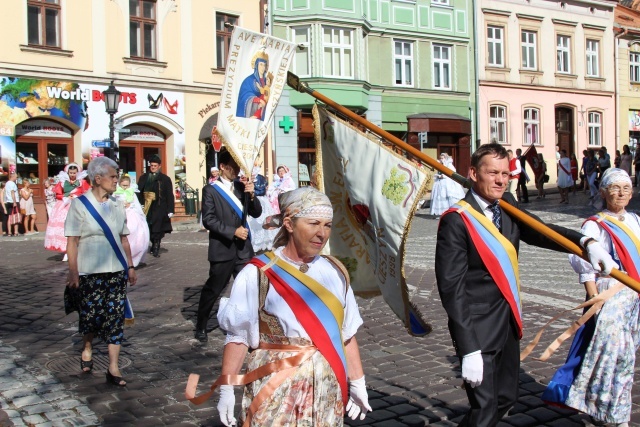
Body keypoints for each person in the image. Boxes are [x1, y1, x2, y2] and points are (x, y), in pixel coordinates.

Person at [434, 143, 615, 427]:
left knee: (505, 398)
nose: (500, 180)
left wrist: (585, 243)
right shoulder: (457, 221)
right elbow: (451, 289)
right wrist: (468, 348)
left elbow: (542, 231)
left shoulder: (506, 205)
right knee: (483, 408)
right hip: (477, 328)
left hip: (507, 323)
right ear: (473, 173)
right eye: (492, 172)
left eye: (505, 174)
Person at [193, 187, 371, 426]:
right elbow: (239, 336)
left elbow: (347, 334)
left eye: (327, 225)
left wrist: (357, 381)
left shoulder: (335, 271)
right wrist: (227, 387)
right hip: (275, 385)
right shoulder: (258, 273)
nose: (322, 233)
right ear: (289, 224)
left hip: (326, 385)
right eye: (313, 223)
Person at [542, 168, 639, 427]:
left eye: (626, 188)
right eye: (614, 188)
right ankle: (617, 416)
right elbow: (585, 266)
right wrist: (595, 300)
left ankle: (599, 405)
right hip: (612, 298)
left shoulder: (635, 221)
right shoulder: (594, 225)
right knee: (618, 357)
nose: (621, 193)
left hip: (634, 301)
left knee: (623, 357)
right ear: (604, 192)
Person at [65, 157, 137, 386]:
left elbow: (124, 238)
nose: (117, 181)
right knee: (91, 317)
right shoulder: (79, 204)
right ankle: (87, 346)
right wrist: (73, 273)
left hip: (115, 270)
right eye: (113, 177)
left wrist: (131, 265)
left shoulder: (117, 205)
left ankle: (113, 368)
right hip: (90, 271)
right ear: (98, 179)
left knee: (115, 317)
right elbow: (72, 241)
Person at [194, 149, 262, 342]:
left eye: (238, 166)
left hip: (243, 250)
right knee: (214, 289)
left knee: (249, 289)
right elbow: (209, 220)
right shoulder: (211, 190)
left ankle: (249, 327)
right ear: (223, 167)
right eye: (233, 166)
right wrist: (232, 231)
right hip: (222, 249)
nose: (237, 170)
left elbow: (256, 212)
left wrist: (251, 196)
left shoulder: (242, 188)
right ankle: (201, 324)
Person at [44, 163, 91, 256]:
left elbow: (87, 192)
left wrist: (77, 196)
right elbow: (57, 194)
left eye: (74, 173)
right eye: (71, 173)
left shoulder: (82, 182)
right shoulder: (62, 182)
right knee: (64, 227)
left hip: (78, 204)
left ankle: (79, 249)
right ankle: (66, 250)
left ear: (77, 173)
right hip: (64, 205)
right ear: (67, 172)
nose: (72, 175)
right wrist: (65, 196)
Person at [136, 154, 174, 258]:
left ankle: (156, 244)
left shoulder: (165, 179)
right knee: (148, 226)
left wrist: (170, 209)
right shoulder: (143, 177)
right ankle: (152, 241)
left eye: (155, 165)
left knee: (157, 227)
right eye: (151, 165)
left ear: (159, 166)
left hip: (159, 206)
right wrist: (139, 203)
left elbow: (169, 194)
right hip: (147, 206)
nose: (153, 167)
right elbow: (139, 191)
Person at [114, 175, 150, 267]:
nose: (125, 187)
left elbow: (136, 204)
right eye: (123, 185)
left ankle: (134, 258)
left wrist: (134, 208)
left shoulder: (132, 193)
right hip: (121, 214)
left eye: (127, 185)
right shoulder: (116, 193)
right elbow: (113, 204)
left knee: (135, 232)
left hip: (131, 214)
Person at [247, 166, 279, 253]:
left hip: (260, 200)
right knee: (253, 222)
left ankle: (264, 242)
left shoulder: (260, 178)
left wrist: (253, 192)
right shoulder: (247, 177)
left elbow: (262, 190)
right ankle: (254, 241)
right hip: (253, 200)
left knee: (262, 219)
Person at [236, 51, 270, 121]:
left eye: (264, 65)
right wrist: (259, 100)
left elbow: (267, 94)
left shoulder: (266, 81)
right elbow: (245, 95)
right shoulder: (249, 80)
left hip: (263, 112)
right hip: (253, 110)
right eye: (261, 64)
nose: (263, 67)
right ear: (256, 66)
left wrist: (268, 86)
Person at [430, 153, 465, 217]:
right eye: (440, 158)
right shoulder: (440, 164)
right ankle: (439, 212)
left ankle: (449, 212)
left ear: (445, 158)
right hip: (439, 183)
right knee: (439, 196)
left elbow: (452, 172)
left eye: (442, 158)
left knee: (447, 196)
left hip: (447, 183)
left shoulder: (449, 164)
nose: (441, 159)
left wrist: (443, 176)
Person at [4, 173, 20, 237]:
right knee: (16, 216)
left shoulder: (7, 183)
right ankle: (16, 232)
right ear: (12, 177)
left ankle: (9, 232)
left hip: (8, 201)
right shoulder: (12, 184)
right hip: (13, 201)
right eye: (16, 177)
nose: (16, 178)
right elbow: (12, 192)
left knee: (9, 217)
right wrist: (14, 202)